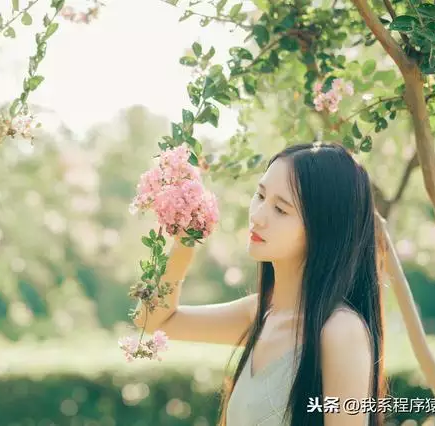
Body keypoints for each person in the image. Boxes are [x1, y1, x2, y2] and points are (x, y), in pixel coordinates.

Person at [133, 142, 386, 426]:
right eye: (260, 195)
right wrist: (184, 244)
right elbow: (154, 321)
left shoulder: (340, 331)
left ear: (323, 229)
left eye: (280, 209)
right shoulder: (259, 315)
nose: (258, 216)